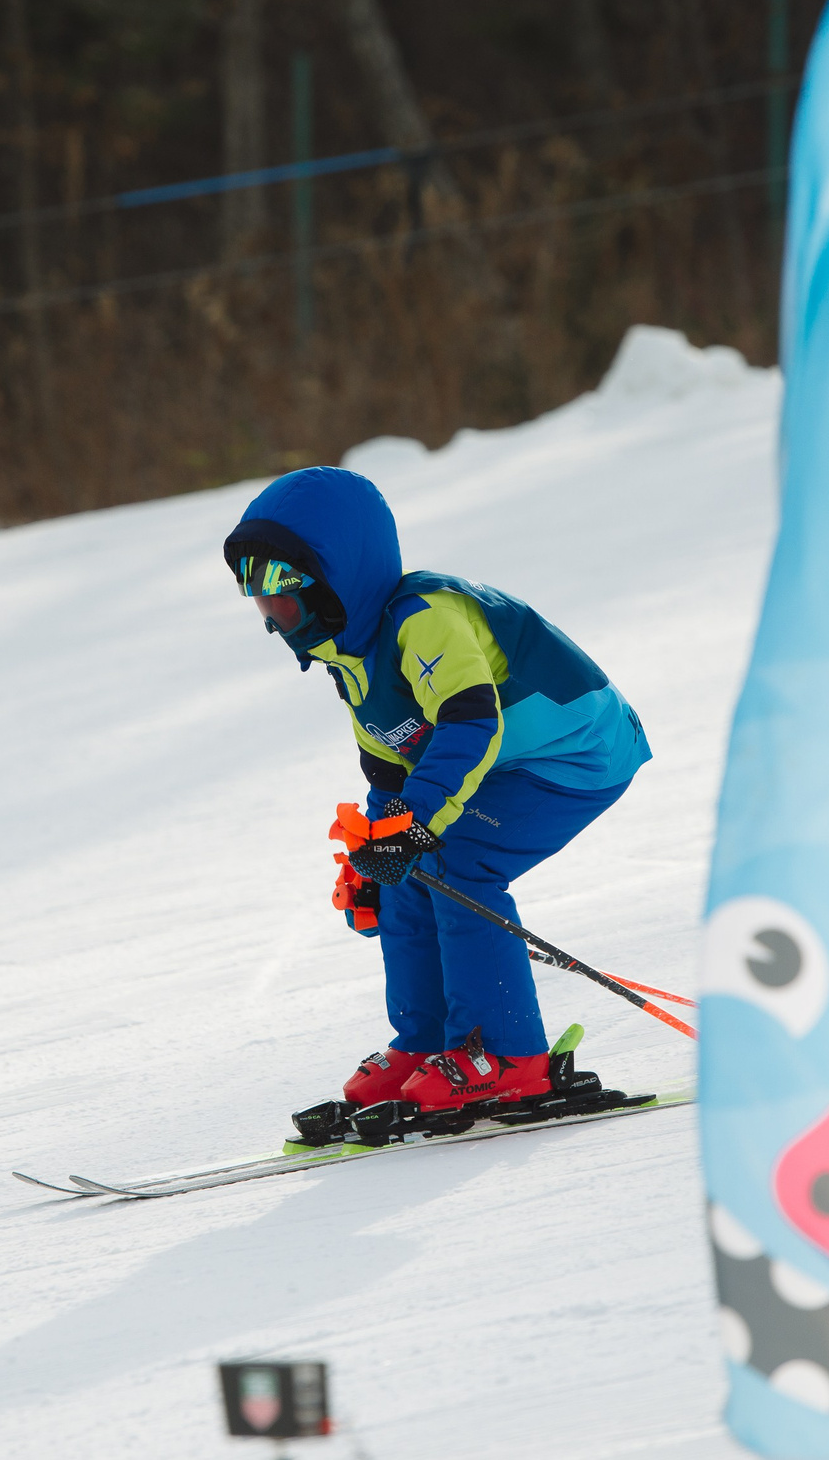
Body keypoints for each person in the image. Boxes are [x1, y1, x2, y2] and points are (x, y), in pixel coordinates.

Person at [223, 466, 652, 1113]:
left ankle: (506, 1055)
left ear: (337, 575)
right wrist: (375, 854)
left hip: (576, 751)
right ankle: (426, 1045)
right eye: (257, 596)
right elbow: (392, 773)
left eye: (282, 591)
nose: (274, 614)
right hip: (499, 762)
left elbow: (470, 721)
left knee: (457, 859)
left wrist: (415, 826)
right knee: (407, 870)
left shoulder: (426, 618)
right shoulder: (351, 657)